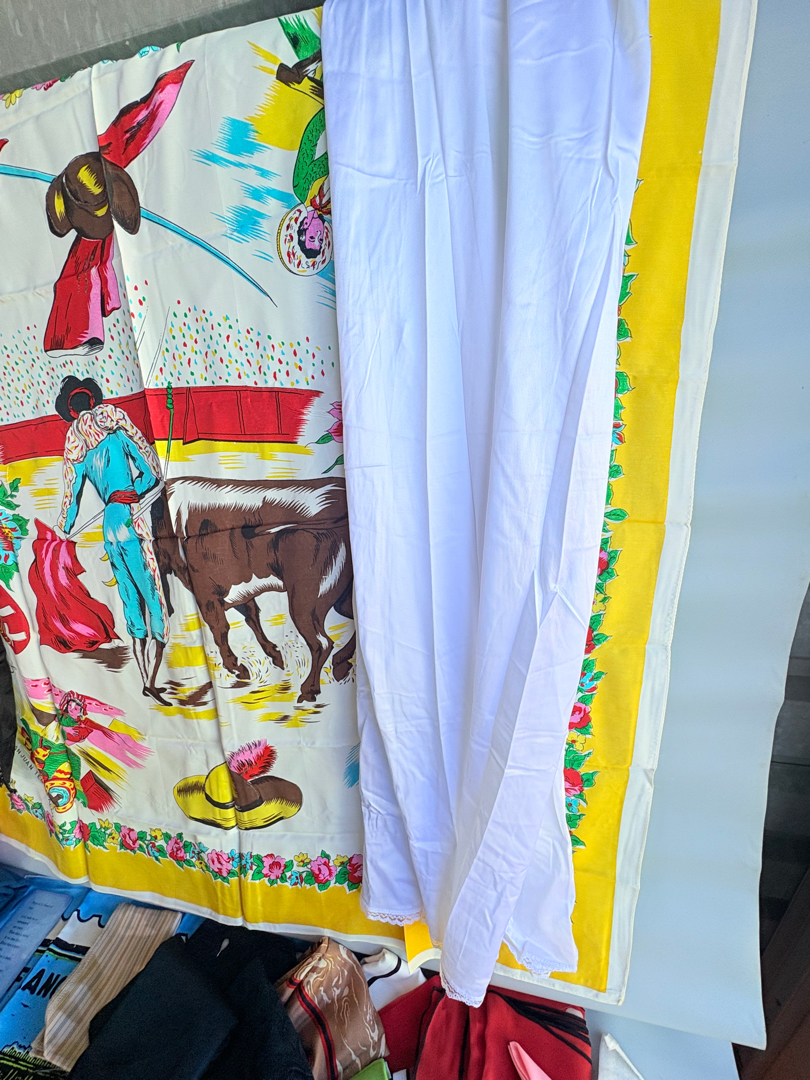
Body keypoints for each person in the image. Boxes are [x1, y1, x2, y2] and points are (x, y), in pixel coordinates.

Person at [54, 377, 169, 703]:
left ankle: (145, 679)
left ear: (72, 411)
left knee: (131, 599)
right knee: (153, 596)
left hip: (109, 524)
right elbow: (150, 472)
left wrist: (63, 529)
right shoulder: (116, 431)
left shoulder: (78, 449)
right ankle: (153, 679)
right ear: (93, 402)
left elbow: (71, 501)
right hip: (130, 517)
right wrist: (138, 490)